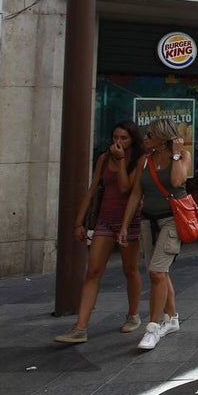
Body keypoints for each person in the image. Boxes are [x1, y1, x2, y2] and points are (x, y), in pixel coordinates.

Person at [54, 121, 145, 344]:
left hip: (129, 221)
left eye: (123, 138)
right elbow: (92, 190)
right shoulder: (104, 159)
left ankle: (133, 314)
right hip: (105, 220)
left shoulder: (139, 160)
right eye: (115, 137)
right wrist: (79, 222)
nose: (118, 142)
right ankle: (80, 326)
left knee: (130, 269)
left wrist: (122, 160)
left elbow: (126, 188)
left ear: (132, 139)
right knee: (93, 271)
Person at [118, 118, 192, 351]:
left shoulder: (182, 157)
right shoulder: (145, 161)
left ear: (162, 137)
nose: (146, 139)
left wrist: (178, 154)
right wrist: (124, 225)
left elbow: (177, 181)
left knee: (157, 271)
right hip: (148, 221)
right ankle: (172, 318)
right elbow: (135, 195)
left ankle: (153, 327)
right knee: (159, 273)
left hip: (172, 220)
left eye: (150, 135)